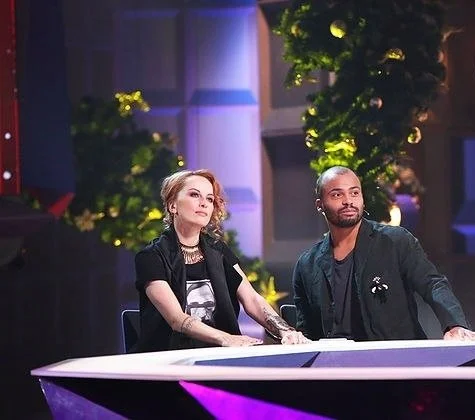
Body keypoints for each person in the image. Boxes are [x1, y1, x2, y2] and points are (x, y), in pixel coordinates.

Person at [133, 169, 308, 352]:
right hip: (169, 357)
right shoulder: (151, 257)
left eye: (209, 199)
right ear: (172, 206)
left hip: (217, 353)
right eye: (194, 195)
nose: (204, 203)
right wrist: (226, 338)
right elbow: (177, 319)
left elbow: (252, 299)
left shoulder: (219, 251)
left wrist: (285, 331)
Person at [292, 165, 475, 341]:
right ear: (320, 205)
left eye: (354, 193)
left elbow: (432, 284)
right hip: (335, 360)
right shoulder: (307, 265)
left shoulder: (395, 241)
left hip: (395, 358)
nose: (348, 201)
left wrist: (454, 325)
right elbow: (306, 331)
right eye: (337, 194)